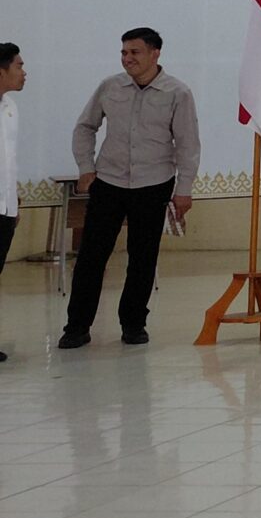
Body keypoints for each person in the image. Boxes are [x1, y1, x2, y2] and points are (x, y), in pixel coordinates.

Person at [62, 28, 200, 349]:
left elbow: (188, 144)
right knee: (91, 256)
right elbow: (85, 127)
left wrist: (184, 188)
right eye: (124, 52)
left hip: (153, 185)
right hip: (109, 182)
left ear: (155, 53)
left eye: (135, 52)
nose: (127, 59)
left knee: (142, 258)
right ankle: (77, 327)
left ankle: (134, 324)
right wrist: (86, 167)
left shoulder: (178, 93)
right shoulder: (110, 86)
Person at [0, 43, 21, 364]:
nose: (23, 72)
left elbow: (8, 158)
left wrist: (13, 199)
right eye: (18, 66)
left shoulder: (10, 107)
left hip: (5, 207)